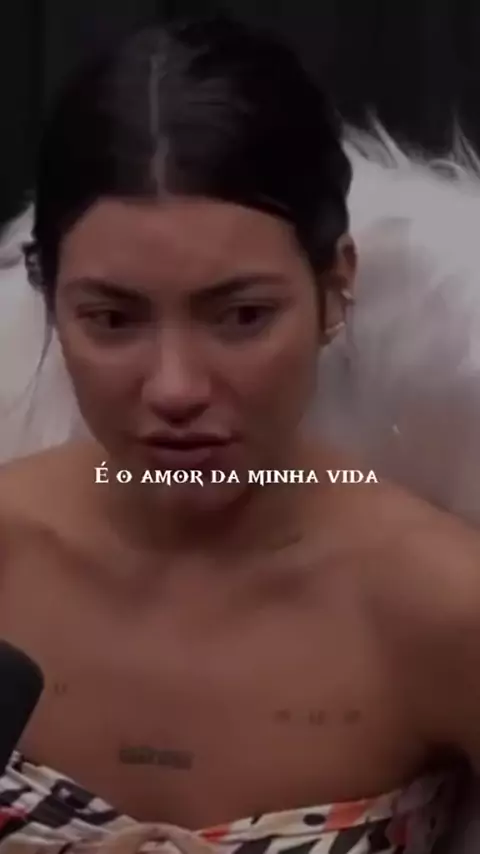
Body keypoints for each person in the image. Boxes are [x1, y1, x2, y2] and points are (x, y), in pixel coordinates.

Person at [1, 13, 480, 854]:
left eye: (243, 316)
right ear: (48, 297)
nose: (176, 388)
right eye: (113, 318)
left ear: (335, 288)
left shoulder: (445, 610)